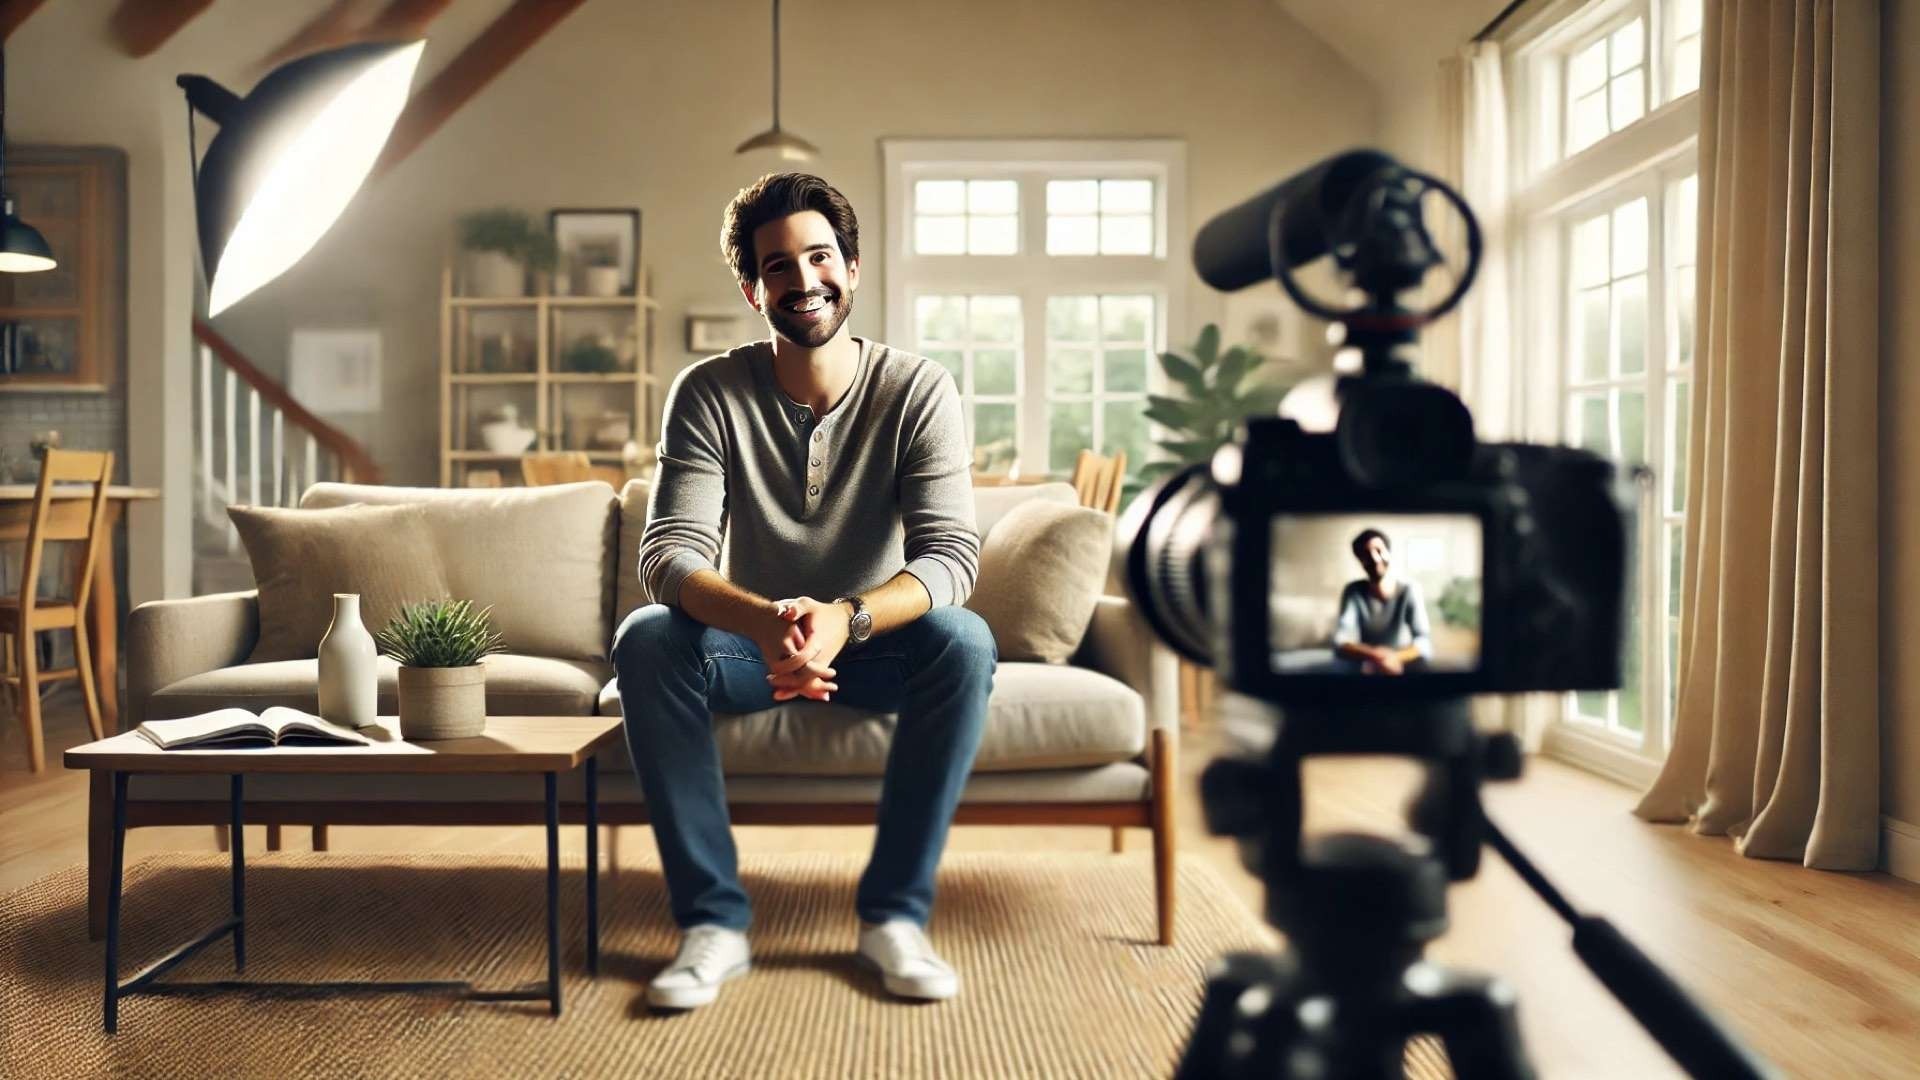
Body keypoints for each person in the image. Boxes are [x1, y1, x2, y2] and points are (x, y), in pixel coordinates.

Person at [610, 173, 994, 1011]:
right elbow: (669, 555)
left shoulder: (918, 389)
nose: (804, 279)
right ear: (753, 288)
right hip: (752, 652)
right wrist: (765, 624)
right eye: (777, 266)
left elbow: (950, 558)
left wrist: (845, 620)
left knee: (965, 639)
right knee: (646, 635)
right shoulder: (708, 393)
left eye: (820, 257)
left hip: (874, 649)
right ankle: (712, 923)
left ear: (852, 268)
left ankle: (894, 916)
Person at [1331, 528, 1433, 676]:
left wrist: (1394, 658)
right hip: (1366, 662)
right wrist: (1375, 656)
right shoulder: (1353, 591)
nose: (1375, 558)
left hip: (1402, 661)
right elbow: (1340, 641)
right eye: (1366, 554)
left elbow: (1423, 642)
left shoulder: (1410, 589)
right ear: (1359, 559)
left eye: (1379, 550)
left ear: (1389, 552)